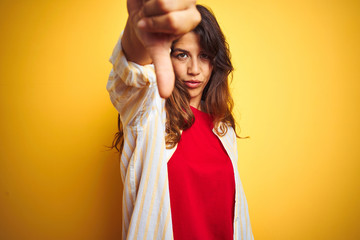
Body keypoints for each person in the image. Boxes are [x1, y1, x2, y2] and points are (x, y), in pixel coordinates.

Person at [107, 0, 254, 239]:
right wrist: (140, 30)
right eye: (182, 55)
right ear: (166, 56)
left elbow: (238, 222)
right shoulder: (149, 113)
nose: (194, 69)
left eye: (204, 56)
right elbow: (131, 73)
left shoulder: (223, 130)